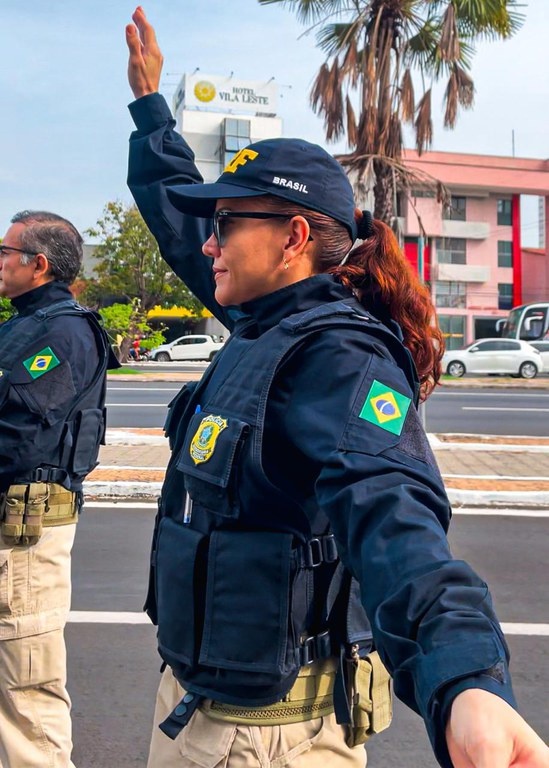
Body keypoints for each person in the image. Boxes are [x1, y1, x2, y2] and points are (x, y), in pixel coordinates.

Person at [125, 9, 549, 768]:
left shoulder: (337, 356)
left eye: (227, 223)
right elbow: (178, 223)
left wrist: (465, 679)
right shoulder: (262, 319)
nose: (209, 244)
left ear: (291, 238)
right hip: (209, 712)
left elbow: (392, 511)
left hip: (259, 742)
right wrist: (151, 109)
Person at [0, 211, 119, 767]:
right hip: (12, 526)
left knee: (26, 697)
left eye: (5, 252)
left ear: (37, 264)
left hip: (22, 535)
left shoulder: (65, 331)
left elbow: (20, 432)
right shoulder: (25, 324)